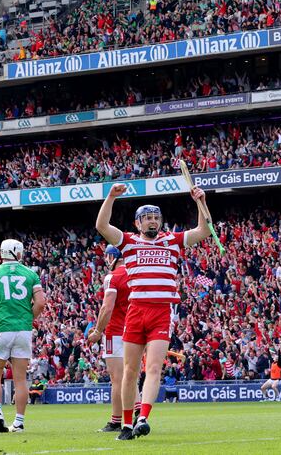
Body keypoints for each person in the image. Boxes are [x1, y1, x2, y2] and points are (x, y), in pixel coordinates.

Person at [96, 183, 211, 440]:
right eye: (147, 218)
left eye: (156, 217)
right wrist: (111, 198)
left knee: (155, 368)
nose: (152, 221)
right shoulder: (128, 242)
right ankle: (127, 425)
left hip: (161, 312)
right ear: (138, 223)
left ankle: (143, 417)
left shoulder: (173, 240)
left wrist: (200, 202)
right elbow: (102, 226)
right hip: (136, 312)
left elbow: (203, 230)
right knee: (130, 371)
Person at [0, 239, 46, 433]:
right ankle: (18, 422)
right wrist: (27, 318)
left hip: (1, 329)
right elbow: (40, 303)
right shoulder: (31, 274)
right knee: (20, 379)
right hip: (23, 330)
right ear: (18, 253)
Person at [86, 244, 134, 432]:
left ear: (114, 256)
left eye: (107, 256)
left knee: (117, 379)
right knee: (131, 377)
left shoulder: (113, 277)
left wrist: (98, 330)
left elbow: (107, 307)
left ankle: (115, 421)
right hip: (134, 330)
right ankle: (138, 416)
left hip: (115, 331)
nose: (106, 260)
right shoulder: (136, 273)